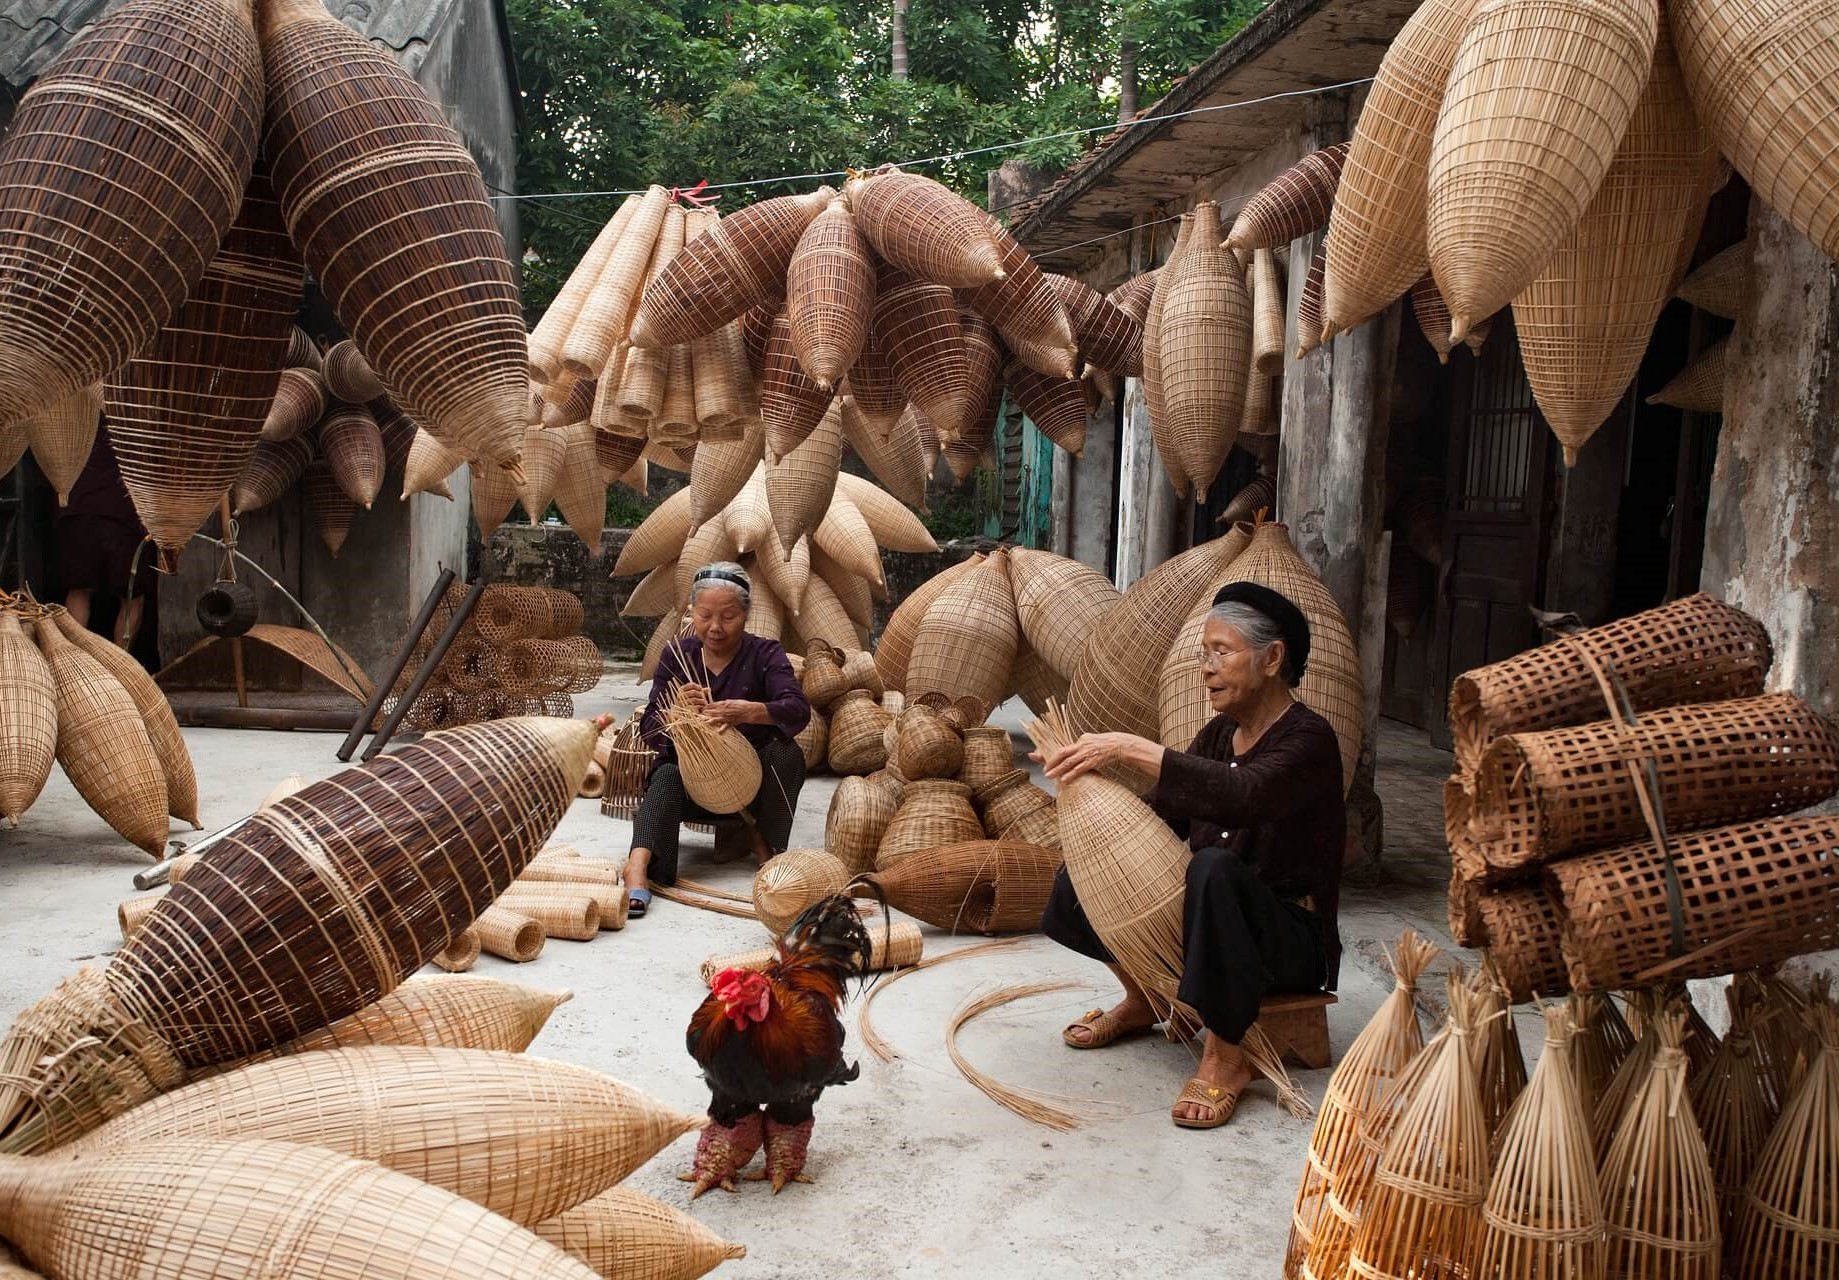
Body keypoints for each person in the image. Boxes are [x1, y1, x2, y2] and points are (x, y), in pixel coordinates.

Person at [1036, 582, 1345, 1130]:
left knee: (1212, 868)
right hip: (1212, 922)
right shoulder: (1221, 732)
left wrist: (1131, 746)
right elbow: (1163, 814)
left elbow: (1242, 795)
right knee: (1082, 879)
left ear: (1272, 659)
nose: (1206, 668)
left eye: (1221, 652)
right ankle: (1146, 997)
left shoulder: (1310, 739)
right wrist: (1092, 794)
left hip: (1287, 938)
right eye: (1204, 654)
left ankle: (1228, 1058)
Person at [623, 562, 811, 918]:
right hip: (693, 787)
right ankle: (638, 864)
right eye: (705, 615)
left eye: (728, 616)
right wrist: (675, 709)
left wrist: (749, 711)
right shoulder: (677, 654)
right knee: (666, 772)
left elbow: (797, 710)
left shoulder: (765, 653)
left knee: (787, 754)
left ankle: (766, 844)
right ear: (692, 612)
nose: (715, 627)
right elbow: (648, 727)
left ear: (746, 614)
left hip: (751, 787)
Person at [57, 421, 155, 646]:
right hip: (123, 513)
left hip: (78, 508)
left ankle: (75, 666)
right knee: (132, 598)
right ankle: (120, 667)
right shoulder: (134, 404)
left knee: (79, 591)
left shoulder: (74, 406)